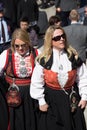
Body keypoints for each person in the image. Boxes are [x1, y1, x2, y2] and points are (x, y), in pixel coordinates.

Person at [30, 25, 87, 130]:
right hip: (52, 102)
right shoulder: (44, 60)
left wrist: (84, 97)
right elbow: (36, 82)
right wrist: (41, 101)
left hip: (71, 100)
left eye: (63, 36)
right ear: (50, 41)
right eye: (57, 38)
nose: (61, 39)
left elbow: (83, 78)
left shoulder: (73, 57)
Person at [0, 28, 39, 130]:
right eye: (17, 46)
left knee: (32, 121)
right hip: (12, 95)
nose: (20, 48)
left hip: (32, 95)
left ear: (28, 42)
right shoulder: (7, 54)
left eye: (23, 45)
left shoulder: (36, 53)